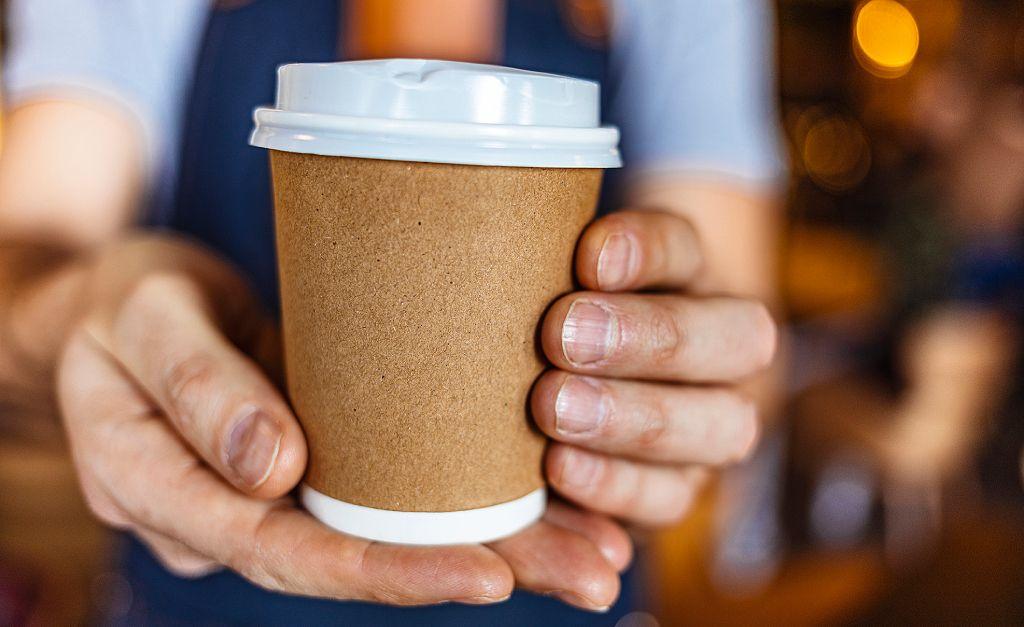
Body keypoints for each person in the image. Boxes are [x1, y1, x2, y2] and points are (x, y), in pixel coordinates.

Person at [0, 0, 783, 624]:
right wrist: (86, 311)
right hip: (198, 584)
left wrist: (681, 395)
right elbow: (24, 262)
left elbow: (736, 322)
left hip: (559, 579)